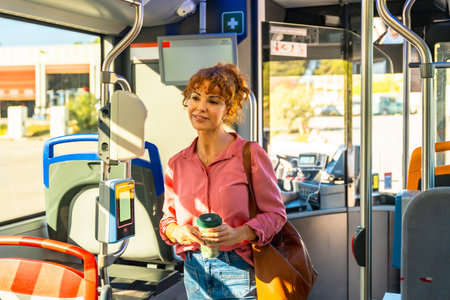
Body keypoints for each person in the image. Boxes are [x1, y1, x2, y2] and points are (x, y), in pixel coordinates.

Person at [159, 63, 287, 299]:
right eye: (195, 97)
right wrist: (179, 232)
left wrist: (240, 233)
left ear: (228, 110)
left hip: (238, 268)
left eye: (213, 101)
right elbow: (167, 221)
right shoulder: (177, 163)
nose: (200, 107)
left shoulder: (250, 155)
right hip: (194, 269)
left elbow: (276, 215)